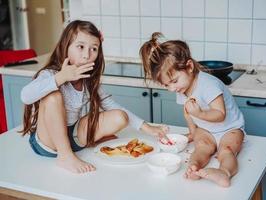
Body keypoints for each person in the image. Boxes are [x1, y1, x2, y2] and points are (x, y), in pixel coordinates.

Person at [20, 21, 168, 174]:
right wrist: (61, 77)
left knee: (120, 117)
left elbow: (112, 105)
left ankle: (83, 144)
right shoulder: (51, 75)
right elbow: (25, 96)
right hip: (48, 142)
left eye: (94, 49)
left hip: (74, 138)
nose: (87, 54)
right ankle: (65, 156)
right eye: (81, 46)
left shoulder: (88, 81)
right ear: (66, 46)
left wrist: (147, 127)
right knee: (53, 97)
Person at [139, 32, 245, 187]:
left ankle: (224, 173)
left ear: (189, 67)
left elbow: (220, 114)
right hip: (206, 129)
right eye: (166, 85)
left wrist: (199, 113)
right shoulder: (182, 87)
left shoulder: (208, 84)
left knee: (226, 151)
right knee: (201, 148)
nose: (172, 88)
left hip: (230, 129)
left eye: (174, 81)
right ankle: (194, 168)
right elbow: (187, 112)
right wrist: (193, 132)